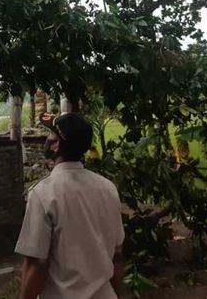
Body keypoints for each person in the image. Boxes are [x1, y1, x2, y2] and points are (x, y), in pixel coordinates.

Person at [15, 112, 124, 299]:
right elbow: (118, 254)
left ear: (57, 145)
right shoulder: (108, 189)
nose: (47, 139)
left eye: (51, 135)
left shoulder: (43, 194)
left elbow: (36, 264)